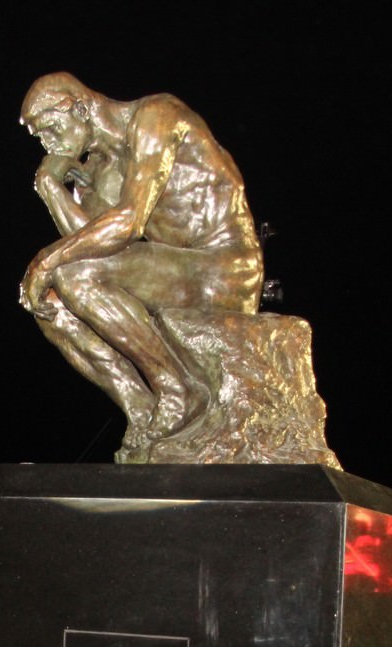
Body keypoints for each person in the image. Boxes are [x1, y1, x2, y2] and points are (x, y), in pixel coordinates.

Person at [18, 73, 264, 444]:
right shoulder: (101, 168)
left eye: (51, 130)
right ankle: (141, 408)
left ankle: (178, 391)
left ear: (81, 108)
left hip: (225, 269)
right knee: (51, 303)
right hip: (179, 271)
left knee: (68, 275)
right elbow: (91, 243)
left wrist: (45, 261)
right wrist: (52, 189)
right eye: (41, 139)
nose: (49, 145)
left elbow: (128, 224)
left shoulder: (155, 117)